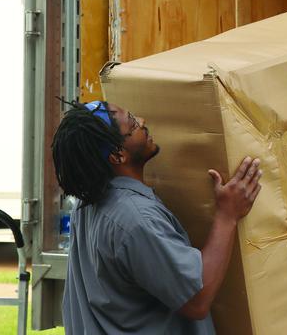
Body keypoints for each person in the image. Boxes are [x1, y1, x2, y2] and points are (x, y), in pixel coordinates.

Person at [51, 100, 262, 334]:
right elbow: (196, 300)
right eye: (132, 123)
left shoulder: (87, 201)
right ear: (118, 155)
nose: (143, 122)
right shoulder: (135, 220)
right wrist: (227, 215)